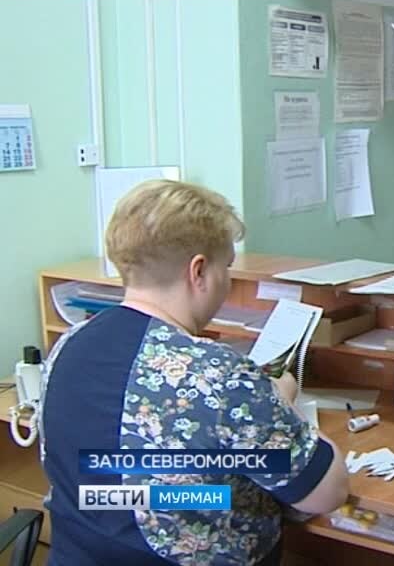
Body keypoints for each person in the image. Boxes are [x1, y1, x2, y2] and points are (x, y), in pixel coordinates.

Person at [39, 180, 349, 565]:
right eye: (227, 267)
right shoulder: (217, 374)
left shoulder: (69, 343)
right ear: (198, 270)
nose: (229, 280)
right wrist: (282, 407)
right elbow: (327, 492)